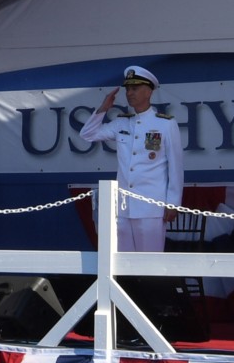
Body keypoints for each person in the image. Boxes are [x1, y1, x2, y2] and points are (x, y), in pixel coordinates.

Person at [79, 65, 186, 251]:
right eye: (128, 89)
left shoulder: (165, 124)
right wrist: (103, 108)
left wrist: (173, 203)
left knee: (149, 265)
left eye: (135, 89)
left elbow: (175, 167)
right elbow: (88, 134)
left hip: (151, 207)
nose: (129, 93)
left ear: (148, 92)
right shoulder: (122, 122)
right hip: (123, 207)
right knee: (123, 264)